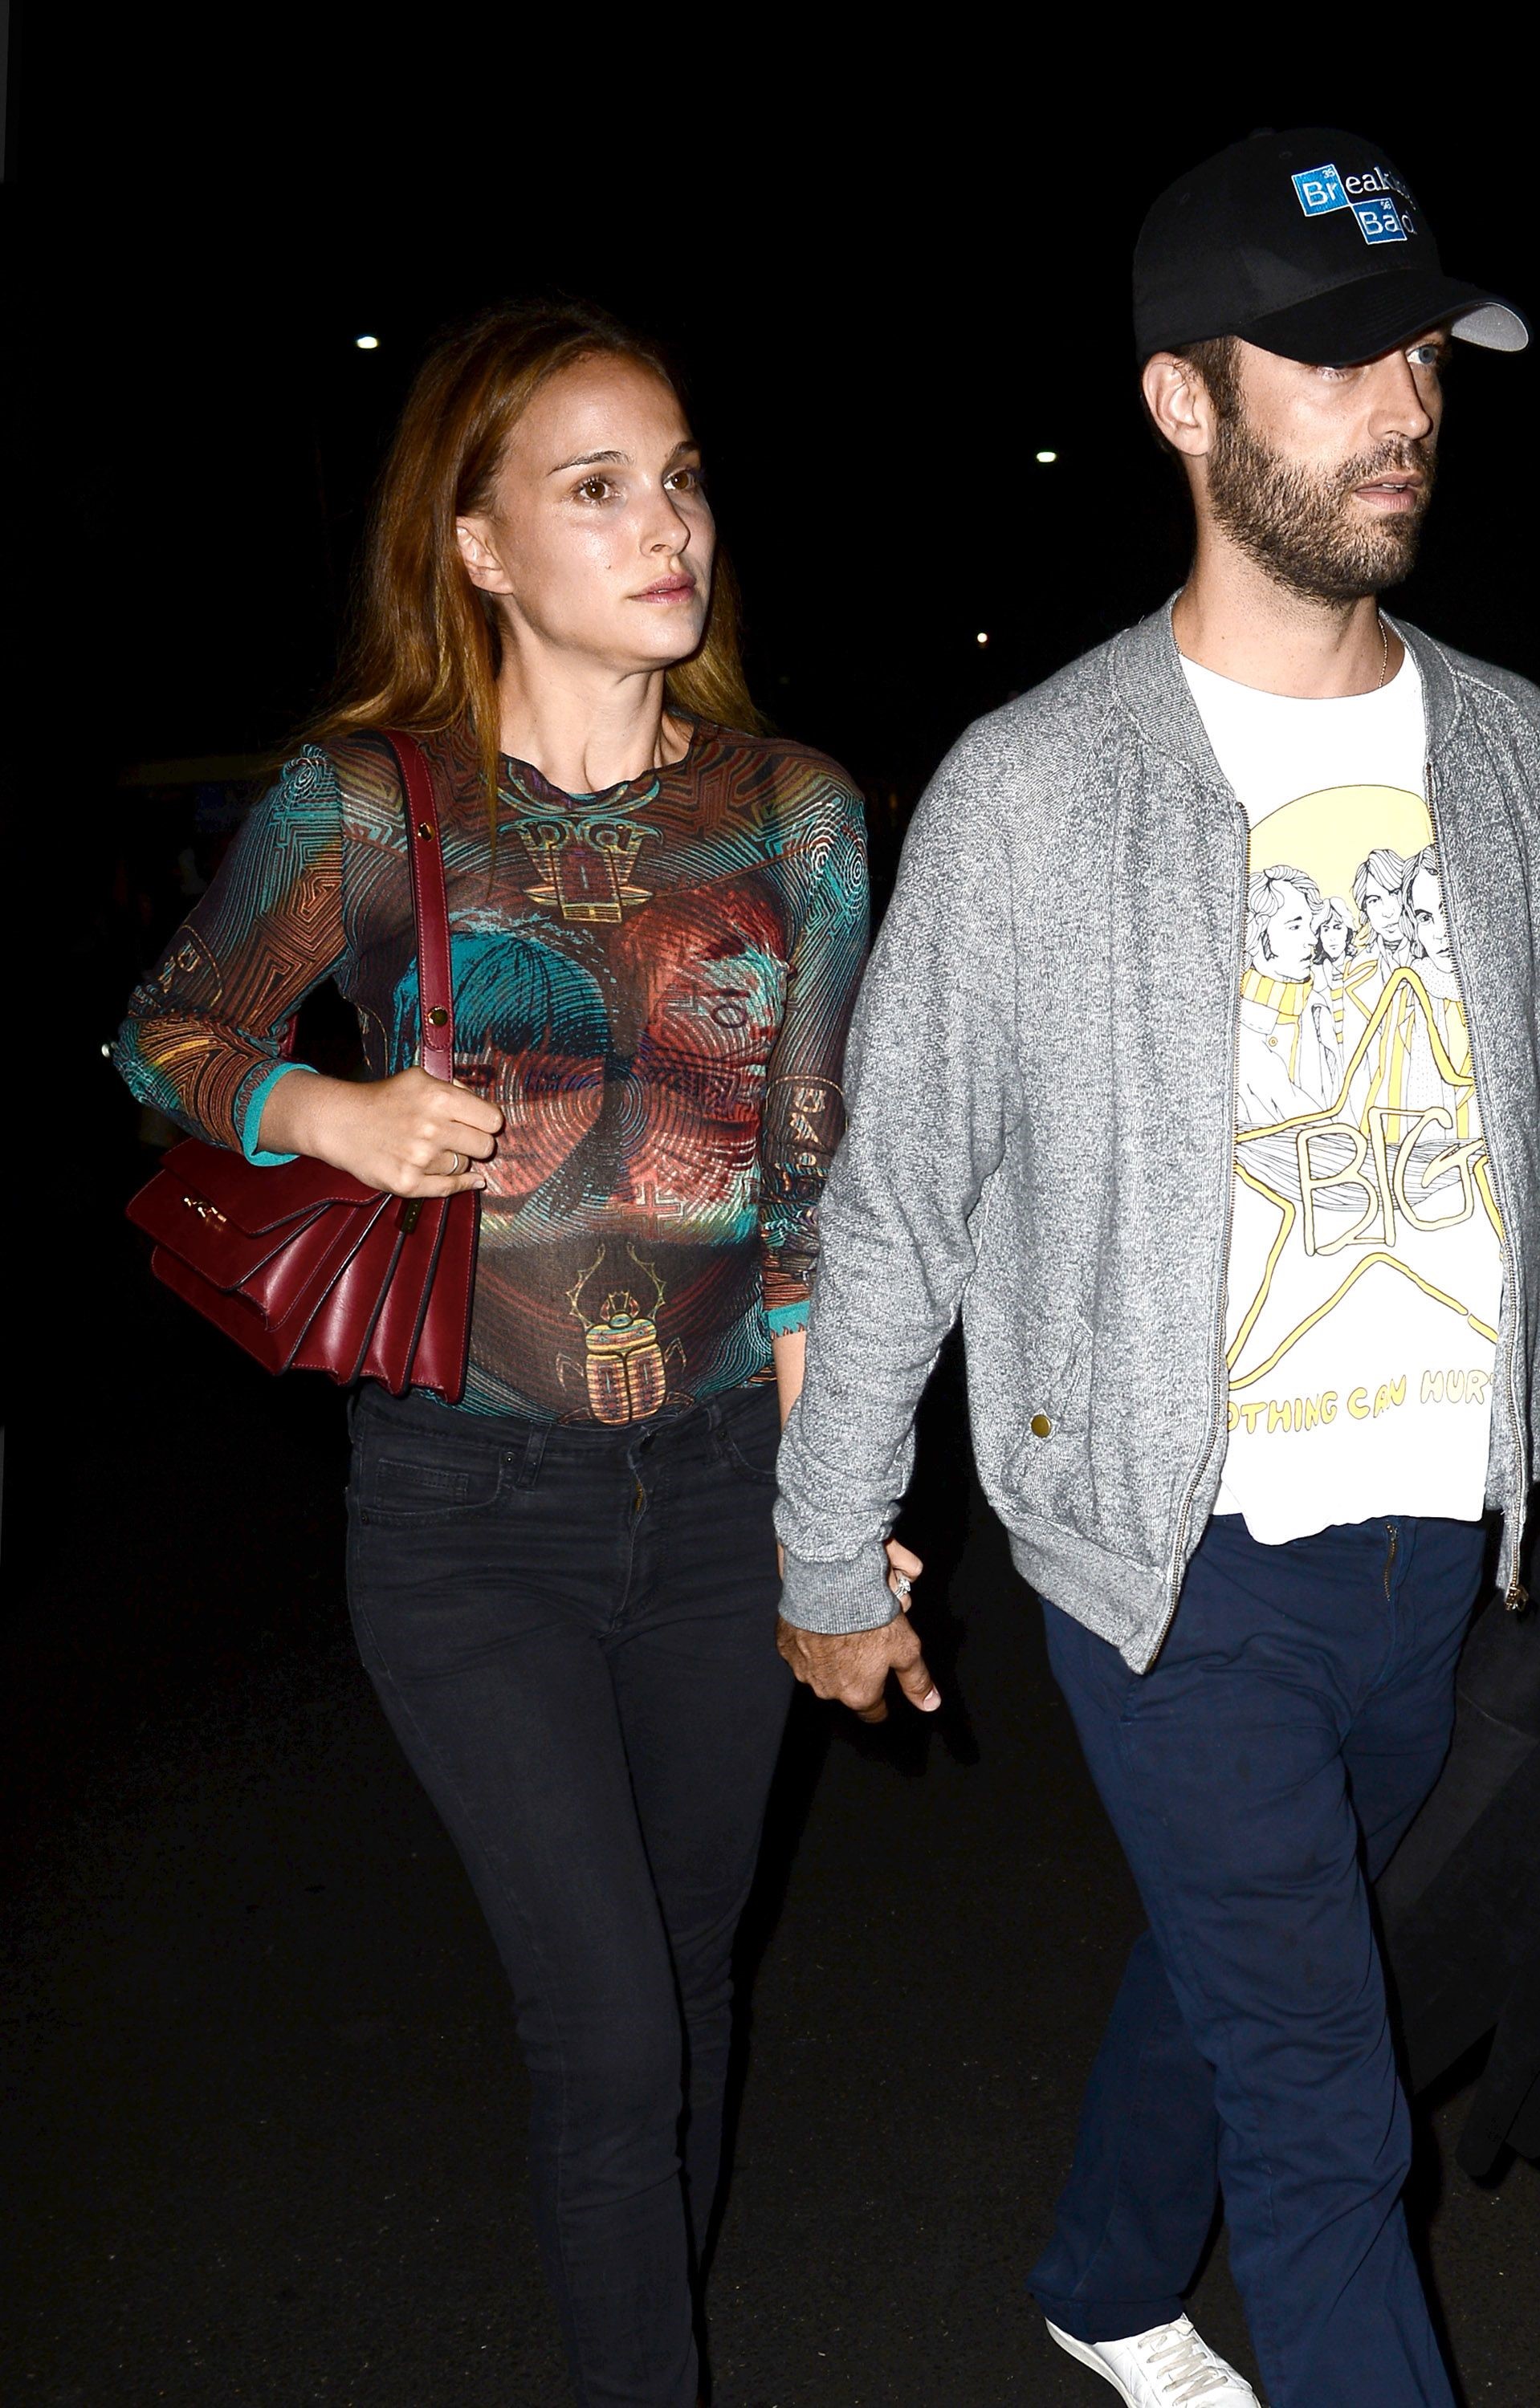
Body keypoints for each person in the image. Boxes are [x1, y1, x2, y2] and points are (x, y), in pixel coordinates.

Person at [769, 128, 1540, 2408]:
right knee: (1328, 2104)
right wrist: (826, 1554)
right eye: (1328, 358)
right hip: (1168, 1559)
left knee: (1261, 1960)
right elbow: (902, 1196)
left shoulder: (1507, 753)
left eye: (1418, 351)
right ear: (1182, 402)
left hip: (1442, 1546)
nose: (1401, 403)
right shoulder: (1032, 789)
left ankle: (1102, 2276)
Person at [114, 299, 885, 2408]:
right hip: (469, 1510)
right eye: (599, 487)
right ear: (477, 545)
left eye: (688, 476)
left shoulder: (797, 815)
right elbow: (165, 1032)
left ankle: (657, 2323)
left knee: (692, 1989)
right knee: (613, 2031)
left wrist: (842, 1514)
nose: (671, 526)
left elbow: (815, 1196)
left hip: (730, 1495)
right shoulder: (370, 806)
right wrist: (326, 1114)